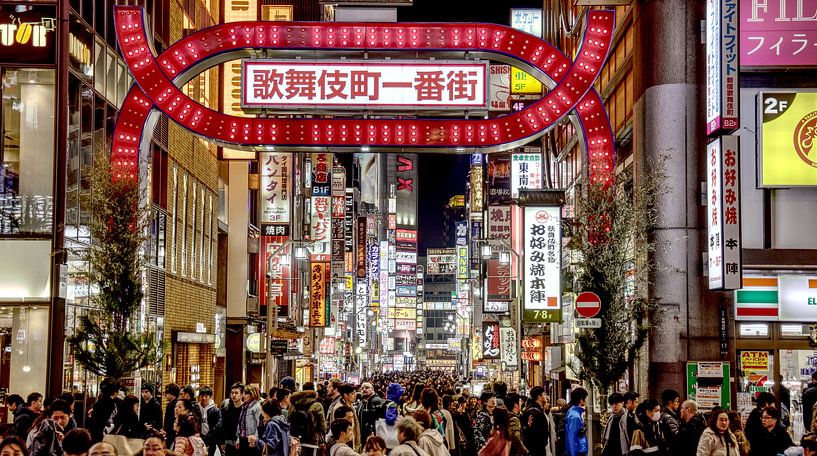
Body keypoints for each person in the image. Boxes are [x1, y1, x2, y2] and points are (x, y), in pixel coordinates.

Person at [289, 385, 327, 456]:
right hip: (312, 440)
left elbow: (289, 419)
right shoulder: (317, 405)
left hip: (295, 440)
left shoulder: (293, 404)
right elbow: (322, 425)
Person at [235, 385, 262, 456]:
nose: (243, 396)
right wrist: (238, 439)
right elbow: (240, 424)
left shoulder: (257, 407)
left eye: (246, 394)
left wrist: (255, 439)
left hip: (251, 439)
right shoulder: (244, 406)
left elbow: (259, 425)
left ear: (252, 395)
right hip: (243, 439)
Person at [197, 387, 222, 456]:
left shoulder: (215, 410)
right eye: (202, 396)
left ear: (210, 397)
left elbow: (218, 426)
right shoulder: (196, 409)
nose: (204, 398)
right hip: (198, 439)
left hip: (210, 441)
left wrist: (209, 437)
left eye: (206, 396)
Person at [221, 383, 245, 456]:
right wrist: (222, 441)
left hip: (242, 443)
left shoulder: (245, 409)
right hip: (229, 444)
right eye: (232, 393)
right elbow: (223, 426)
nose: (234, 395)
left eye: (236, 393)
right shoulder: (226, 410)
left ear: (241, 395)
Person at [565, 388, 589, 456]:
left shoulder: (574, 412)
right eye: (586, 398)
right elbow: (572, 437)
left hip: (578, 449)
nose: (587, 400)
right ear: (581, 400)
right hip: (578, 451)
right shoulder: (575, 416)